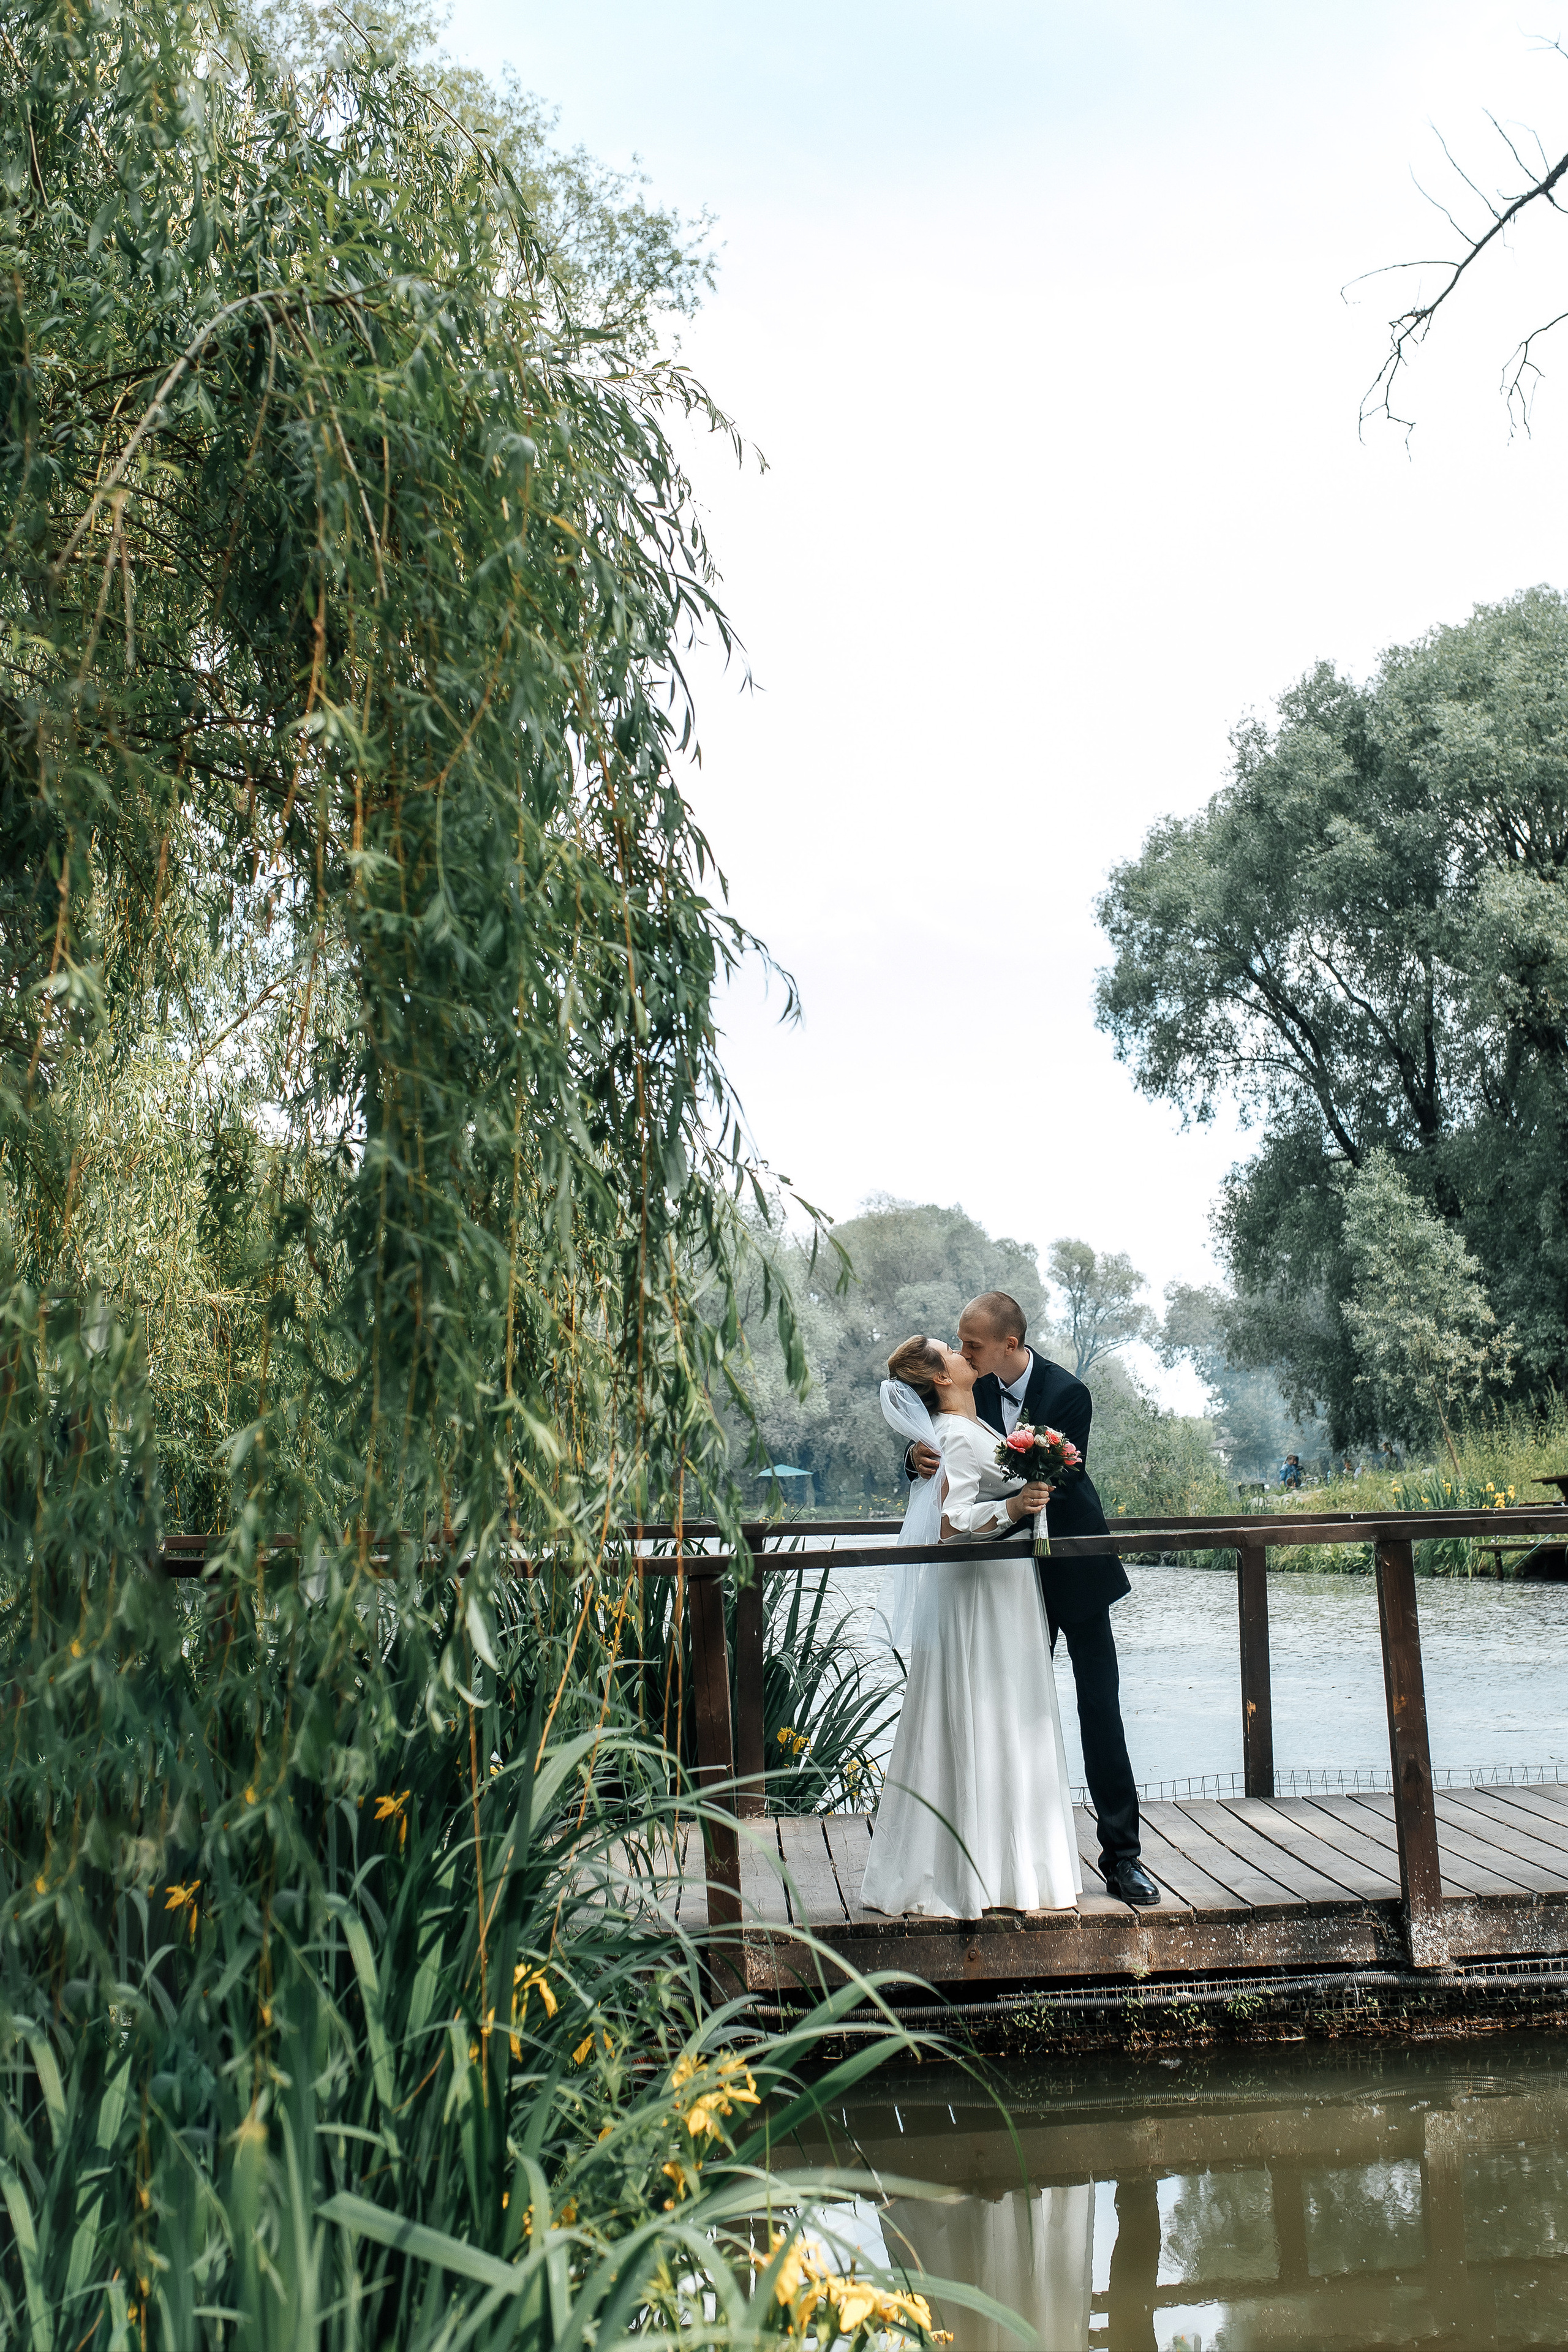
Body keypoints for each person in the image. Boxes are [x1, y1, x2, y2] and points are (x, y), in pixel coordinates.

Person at [902, 1291, 1159, 1910]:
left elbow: (1048, 1478)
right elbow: (942, 1447)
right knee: (1004, 1712)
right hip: (1000, 1584)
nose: (961, 1352)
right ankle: (1002, 1858)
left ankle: (1122, 1860)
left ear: (1008, 1345)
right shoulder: (970, 1387)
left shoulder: (1068, 1392)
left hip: (1073, 1569)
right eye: (959, 1344)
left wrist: (995, 1498)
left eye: (972, 1344)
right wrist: (914, 1459)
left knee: (1100, 1706)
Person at [863, 1335, 1082, 1917]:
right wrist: (1012, 1509)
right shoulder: (957, 1435)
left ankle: (996, 1865)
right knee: (985, 1712)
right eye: (951, 1351)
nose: (965, 1355)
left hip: (999, 1588)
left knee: (999, 1714)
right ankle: (986, 1871)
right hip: (979, 1594)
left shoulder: (971, 1426)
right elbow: (949, 1524)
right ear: (940, 1378)